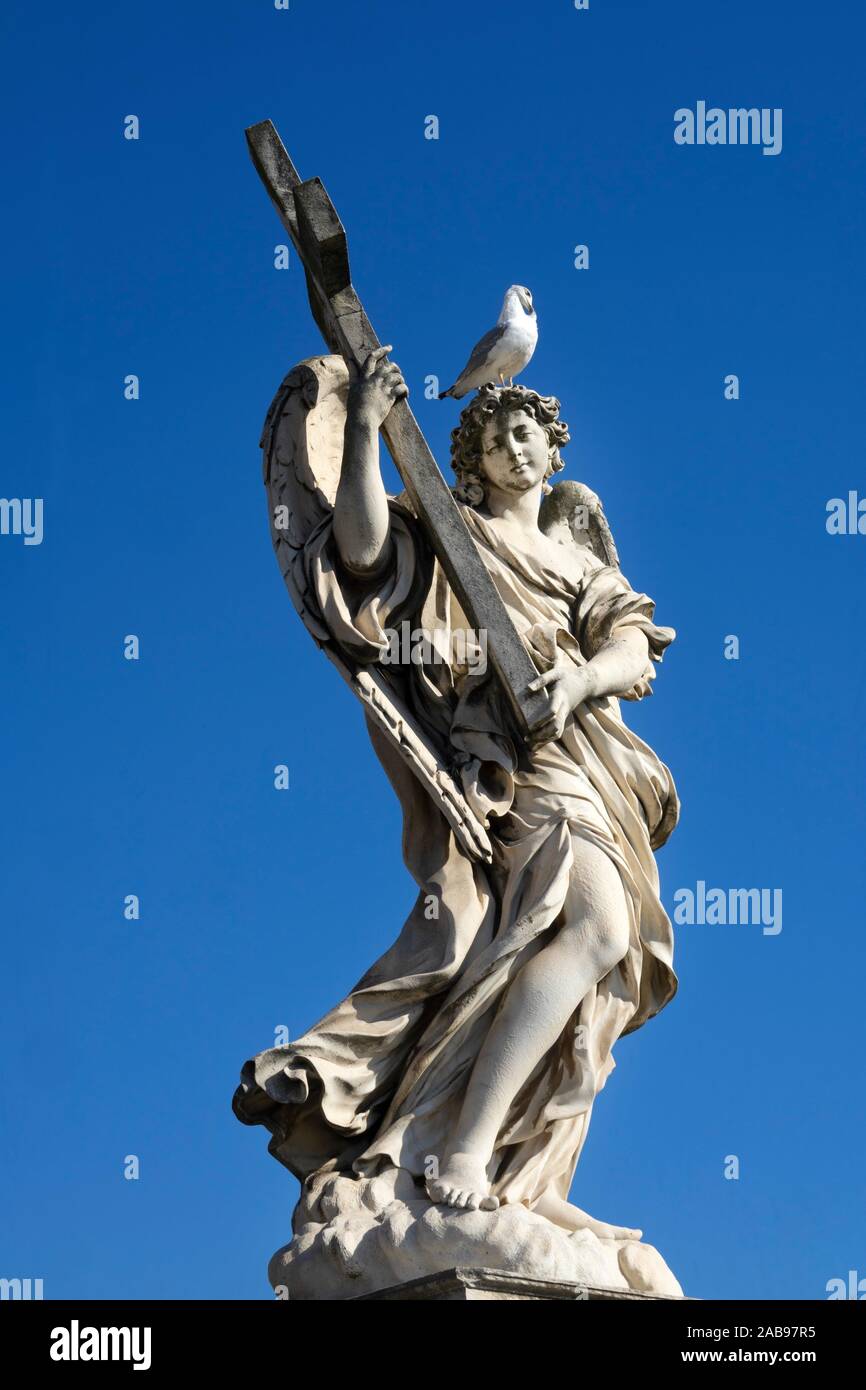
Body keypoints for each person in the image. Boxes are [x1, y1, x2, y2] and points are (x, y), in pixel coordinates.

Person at [234, 348, 679, 1240]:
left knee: (591, 974)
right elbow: (359, 555)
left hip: (585, 747)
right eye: (497, 434)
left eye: (530, 434)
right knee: (596, 929)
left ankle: (524, 1168)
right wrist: (364, 428)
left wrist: (581, 682)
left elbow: (634, 651)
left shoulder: (573, 555)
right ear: (470, 458)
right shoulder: (450, 530)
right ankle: (466, 1153)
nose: (515, 446)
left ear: (554, 452)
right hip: (512, 758)